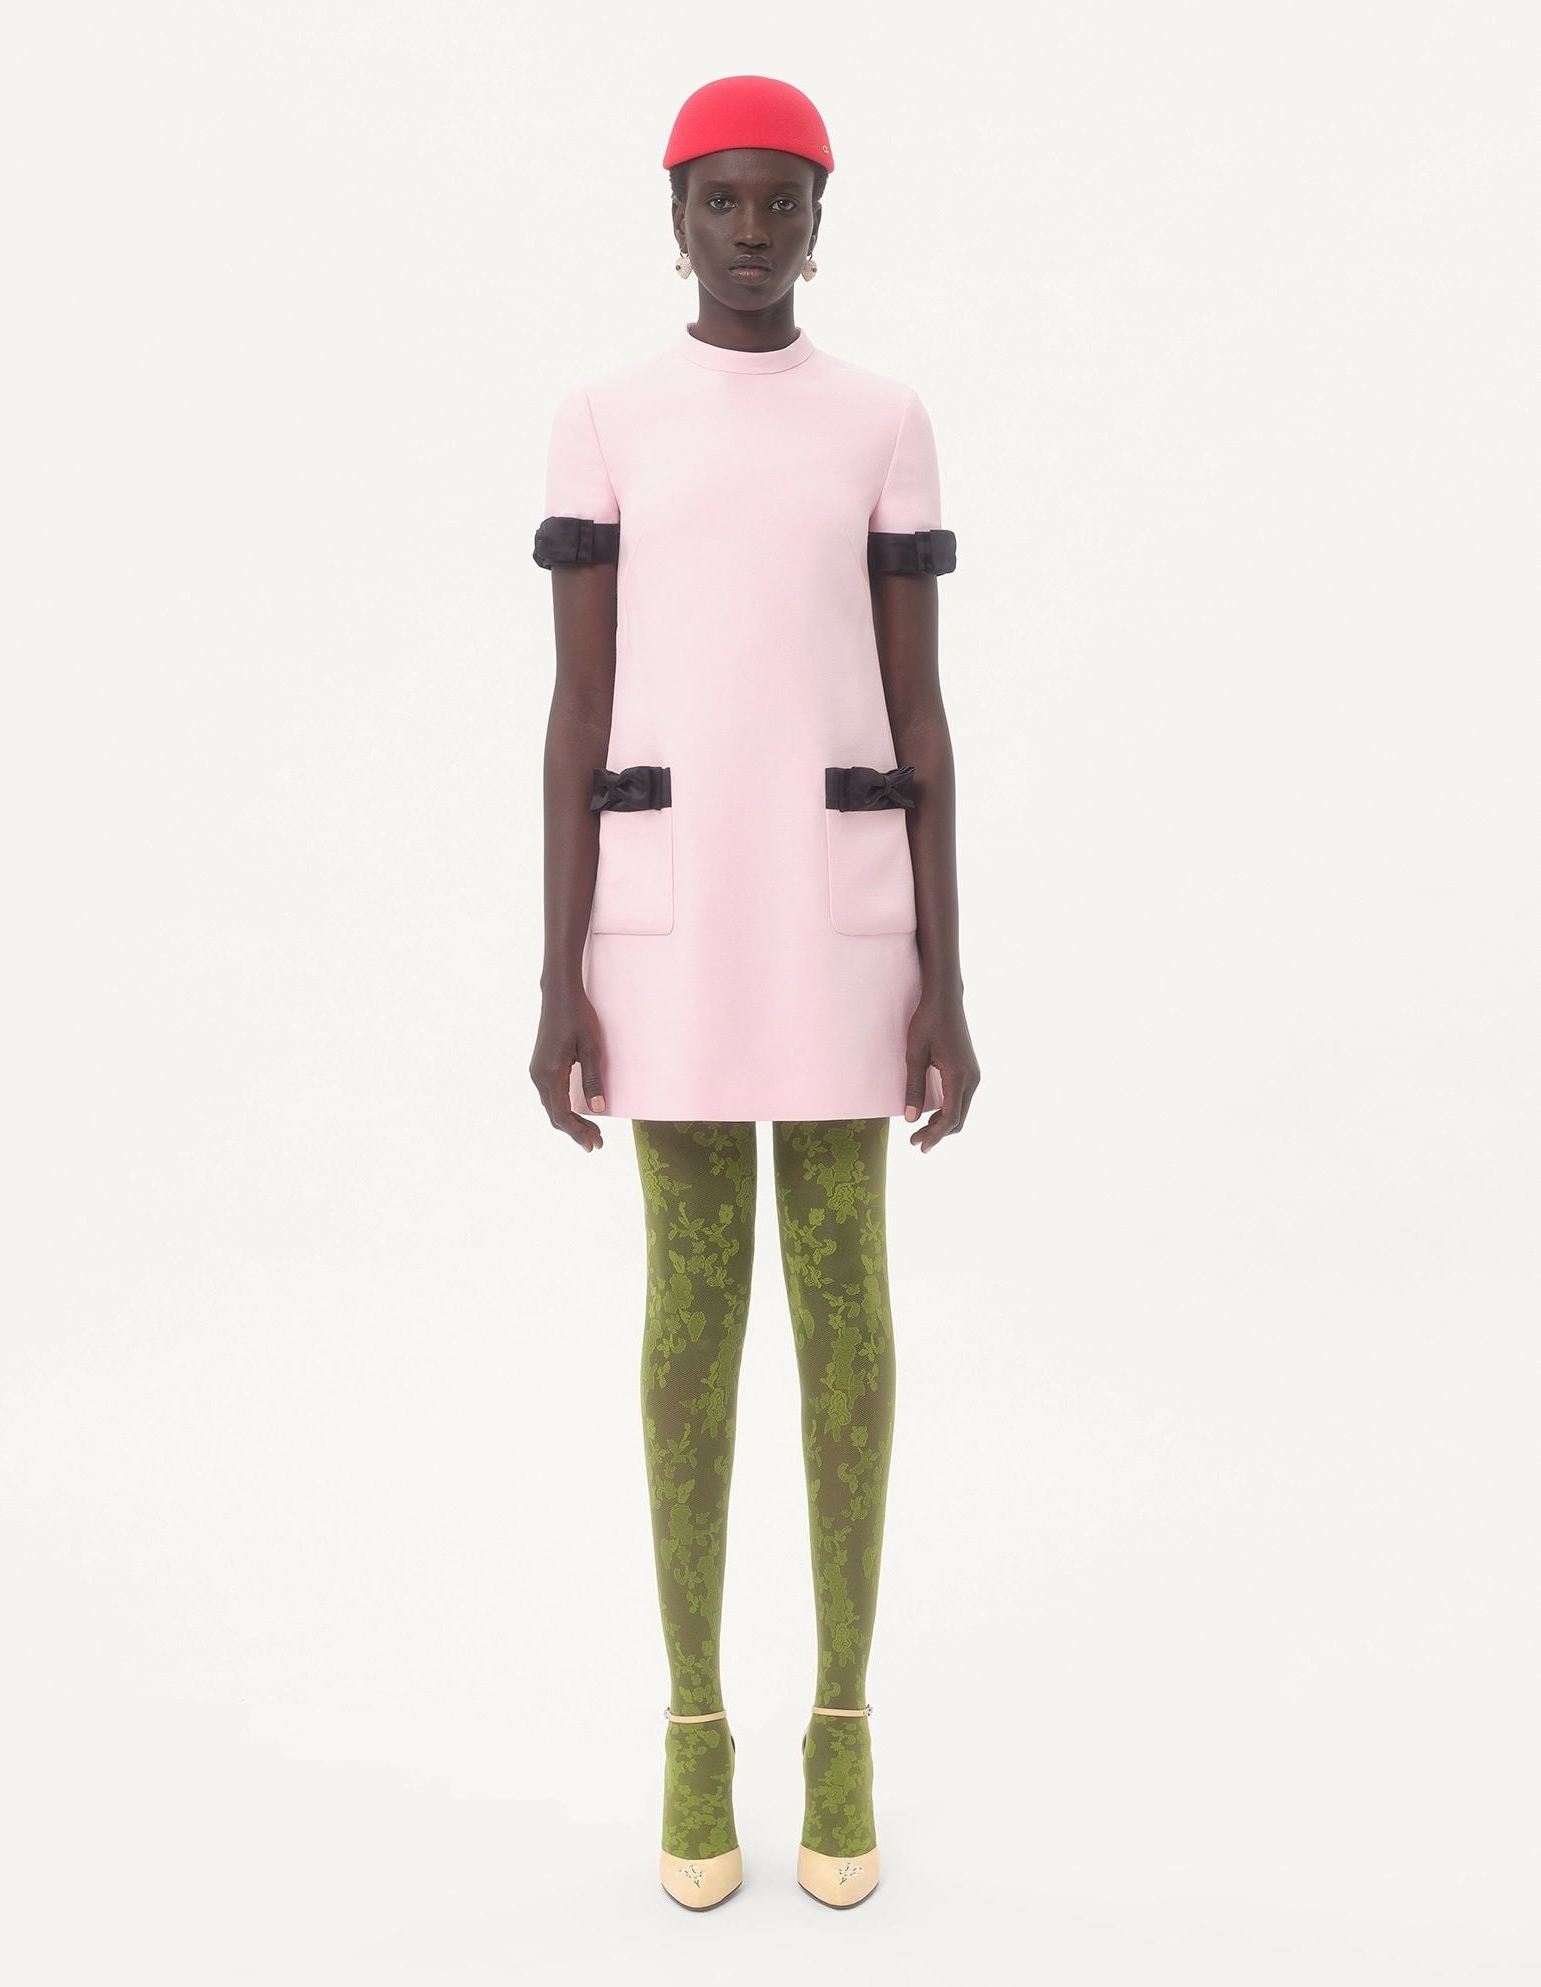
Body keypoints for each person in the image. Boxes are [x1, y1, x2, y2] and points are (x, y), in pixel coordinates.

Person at [529, 74, 980, 1911]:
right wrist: (555, 972)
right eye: (718, 200)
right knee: (689, 1314)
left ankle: (842, 1725)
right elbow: (575, 710)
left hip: (842, 915)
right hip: (666, 923)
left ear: (817, 219)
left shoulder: (881, 418)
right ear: (673, 217)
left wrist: (948, 977)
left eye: (777, 200)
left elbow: (920, 712)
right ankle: (694, 1729)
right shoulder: (605, 418)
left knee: (844, 1301)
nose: (747, 230)